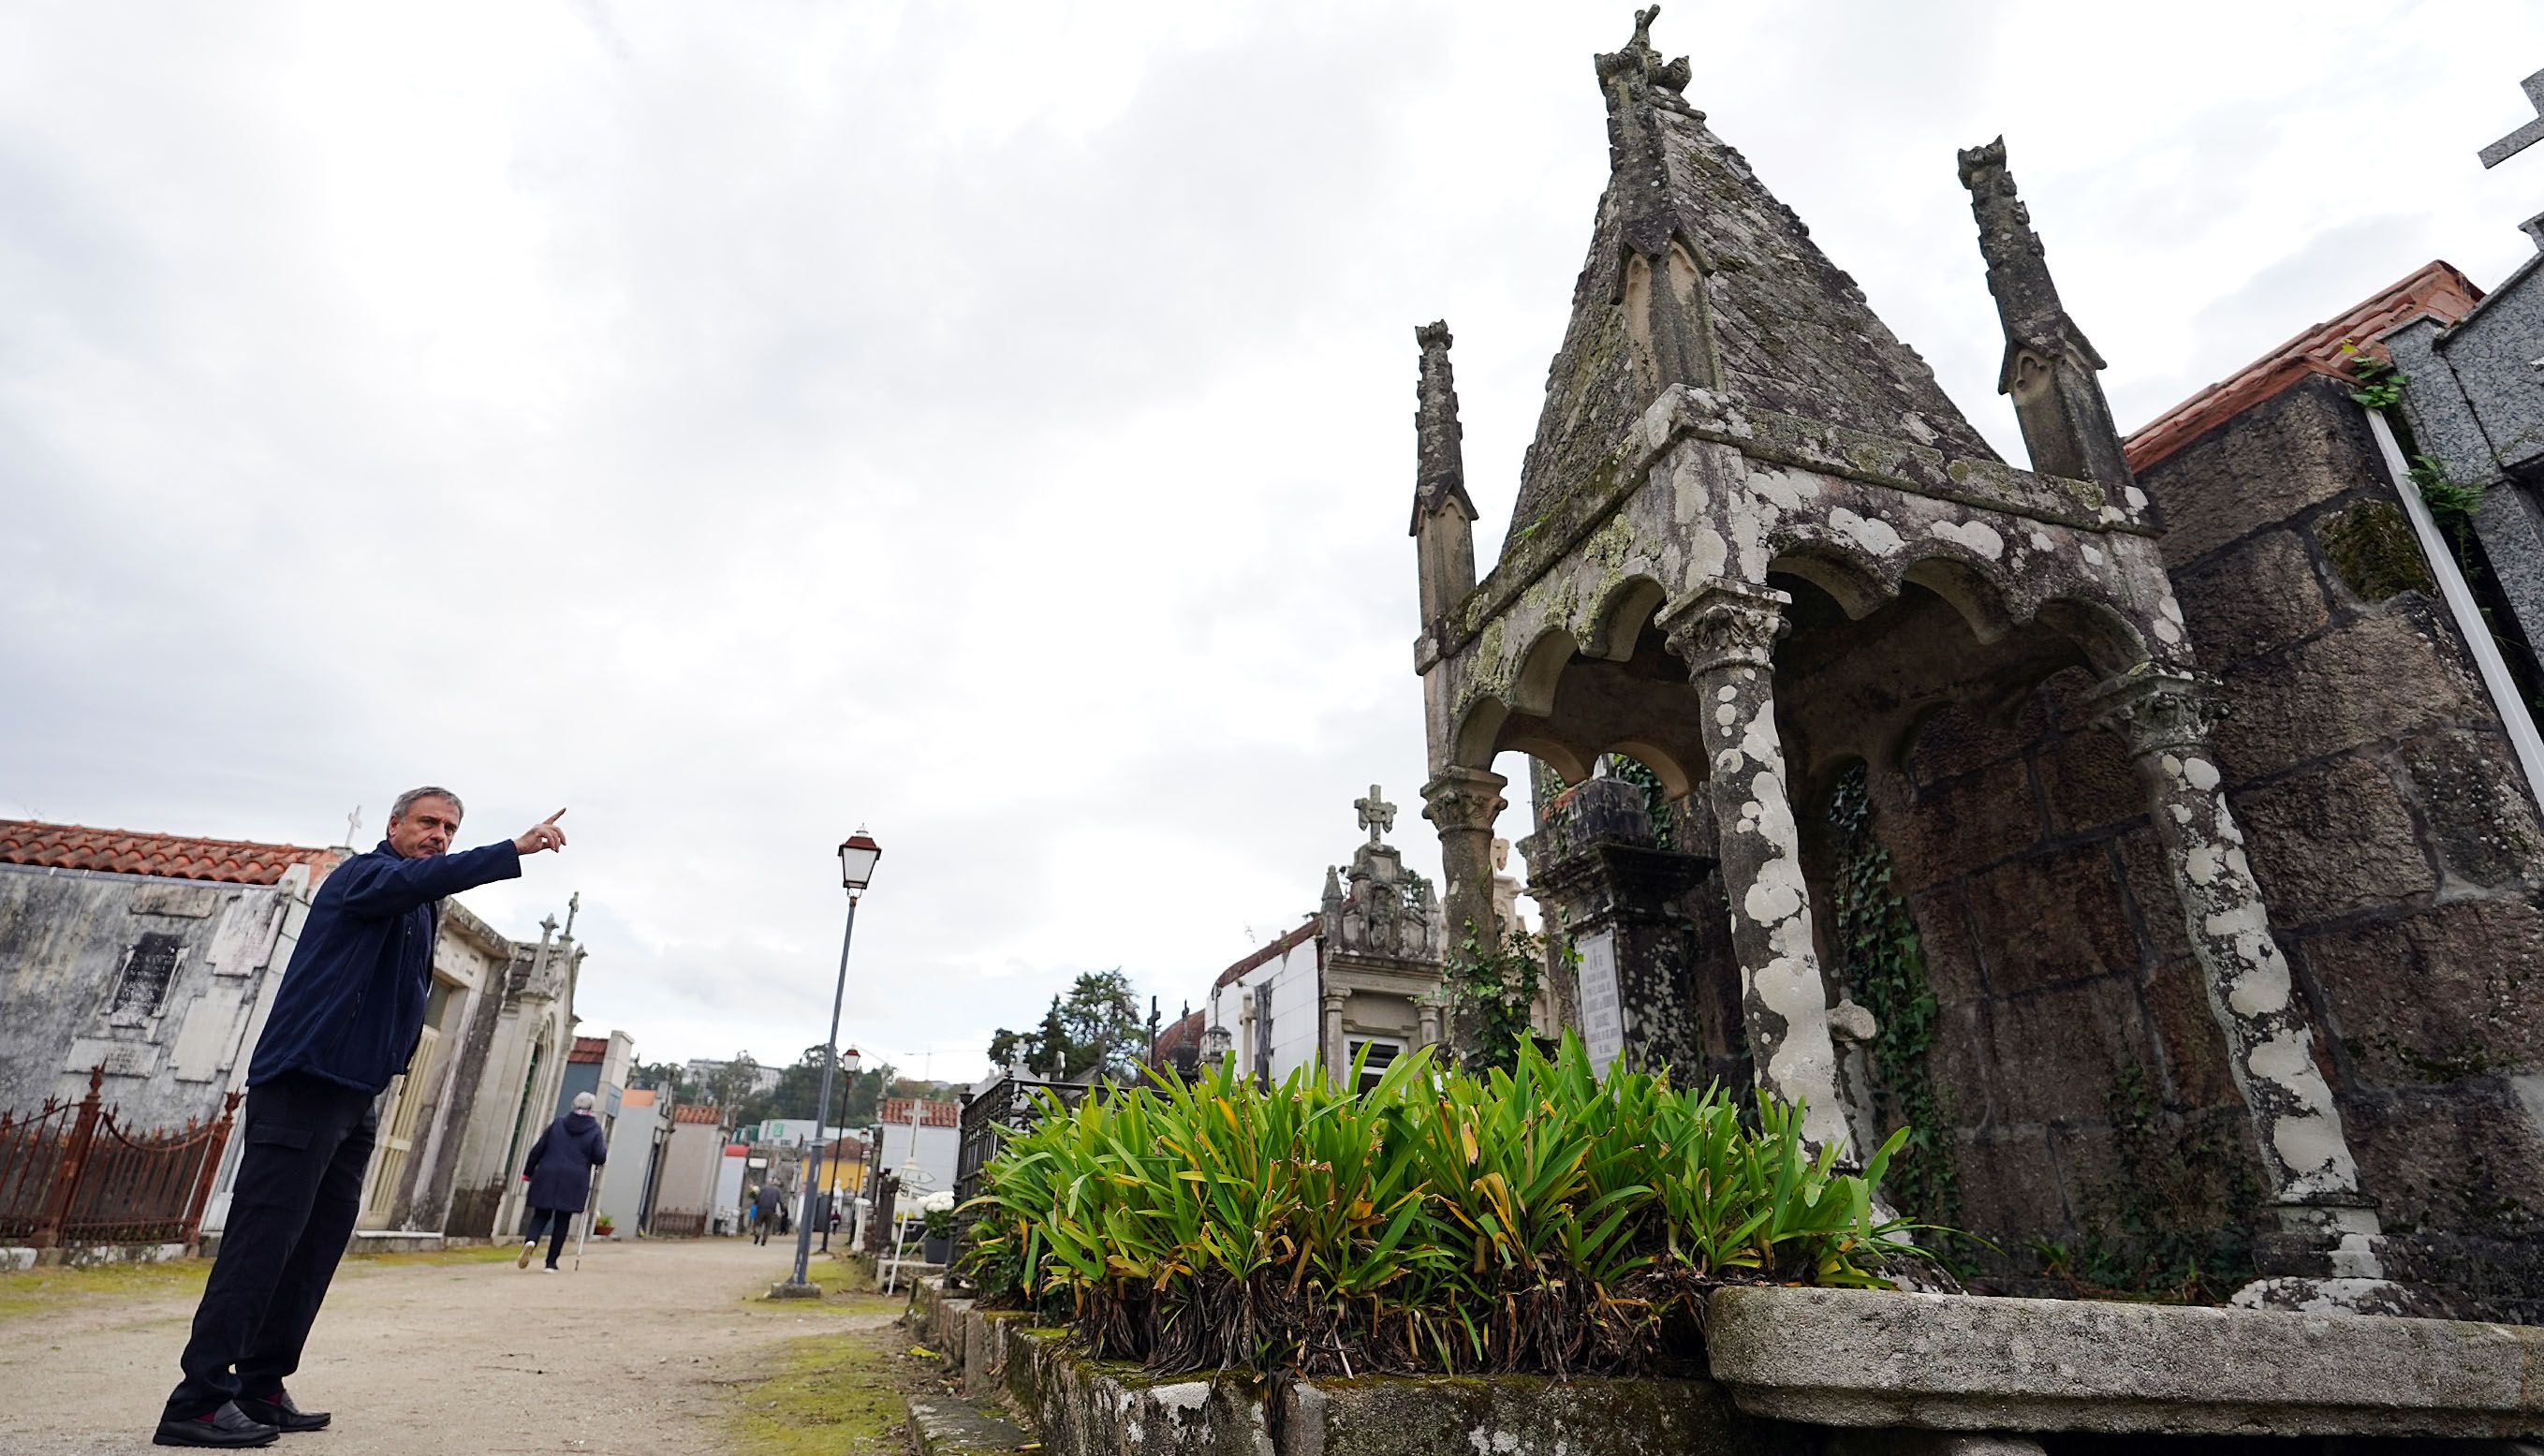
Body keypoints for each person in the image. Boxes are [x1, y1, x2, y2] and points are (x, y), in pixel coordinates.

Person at [155, 789, 567, 1449]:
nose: (439, 835)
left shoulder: (417, 902)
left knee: (314, 1247)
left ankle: (261, 1385)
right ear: (394, 825)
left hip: (356, 1093)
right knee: (260, 1244)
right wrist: (512, 849)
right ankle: (197, 1401)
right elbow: (419, 878)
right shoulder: (367, 876)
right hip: (304, 1084)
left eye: (450, 828)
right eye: (428, 822)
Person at [516, 1091, 609, 1272]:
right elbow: (599, 1157)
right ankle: (551, 1263)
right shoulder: (594, 1129)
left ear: (574, 1105)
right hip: (574, 1178)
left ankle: (531, 1241)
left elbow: (538, 1149)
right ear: (591, 1108)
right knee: (562, 1219)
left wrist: (528, 1172)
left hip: (547, 1173)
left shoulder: (558, 1123)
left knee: (541, 1214)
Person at [749, 1181, 778, 1245]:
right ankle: (764, 1239)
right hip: (771, 1210)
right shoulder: (776, 1191)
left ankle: (757, 1234)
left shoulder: (763, 1189)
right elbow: (779, 1201)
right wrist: (782, 1210)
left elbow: (757, 1198)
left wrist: (756, 1203)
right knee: (768, 1226)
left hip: (761, 1209)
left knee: (758, 1223)